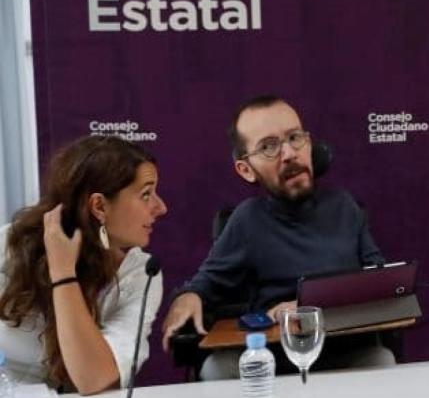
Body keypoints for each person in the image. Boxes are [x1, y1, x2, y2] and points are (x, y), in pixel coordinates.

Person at [161, 95, 392, 379]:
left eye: (295, 138)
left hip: (345, 352)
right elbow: (203, 285)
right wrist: (187, 296)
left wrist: (307, 308)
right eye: (269, 147)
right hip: (273, 360)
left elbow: (381, 282)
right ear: (246, 169)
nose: (289, 153)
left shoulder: (344, 206)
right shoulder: (247, 220)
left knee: (382, 360)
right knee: (215, 369)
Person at [0, 136, 167, 394]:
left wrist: (63, 274)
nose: (161, 207)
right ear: (99, 206)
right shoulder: (8, 248)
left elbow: (96, 380)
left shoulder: (140, 272)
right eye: (146, 194)